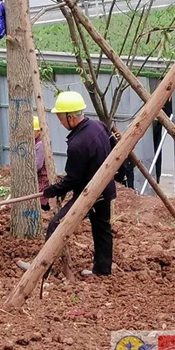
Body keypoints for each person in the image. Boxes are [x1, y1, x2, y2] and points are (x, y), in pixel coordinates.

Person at [19, 92, 116, 276]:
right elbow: (113, 147)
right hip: (106, 188)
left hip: (90, 194)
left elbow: (73, 179)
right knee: (102, 229)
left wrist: (51, 191)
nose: (60, 123)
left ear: (70, 117)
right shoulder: (99, 126)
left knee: (57, 224)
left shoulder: (77, 143)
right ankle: (103, 271)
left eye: (60, 118)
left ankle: (40, 270)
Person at [33, 116, 51, 211]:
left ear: (39, 132)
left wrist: (28, 172)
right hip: (37, 178)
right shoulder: (32, 143)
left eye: (33, 131)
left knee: (40, 199)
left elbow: (38, 165)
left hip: (41, 177)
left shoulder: (40, 145)